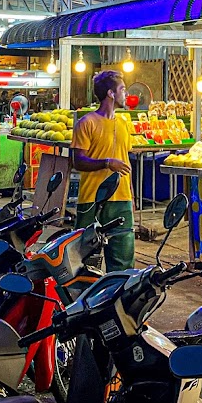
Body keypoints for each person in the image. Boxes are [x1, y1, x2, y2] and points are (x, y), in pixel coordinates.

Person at [71, 70, 134, 272]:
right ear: (111, 93)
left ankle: (118, 300)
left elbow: (126, 163)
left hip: (122, 199)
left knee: (123, 260)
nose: (126, 94)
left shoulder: (124, 124)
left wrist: (131, 196)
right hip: (92, 199)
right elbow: (77, 161)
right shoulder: (86, 123)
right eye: (122, 89)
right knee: (88, 260)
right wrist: (107, 163)